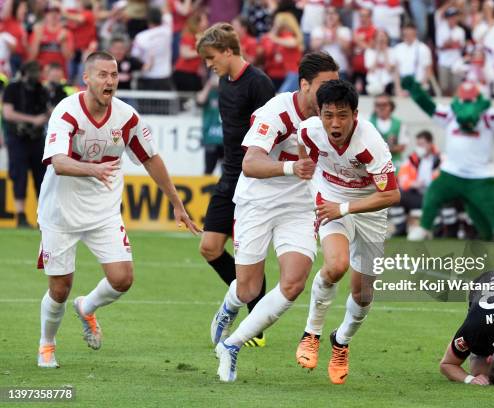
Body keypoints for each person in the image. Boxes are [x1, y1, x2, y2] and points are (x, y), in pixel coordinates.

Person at [36, 51, 200, 368]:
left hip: (103, 212)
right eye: (102, 75)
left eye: (114, 75)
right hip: (60, 211)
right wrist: (92, 170)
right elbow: (58, 162)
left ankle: (87, 307)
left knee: (122, 279)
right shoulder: (67, 112)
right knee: (60, 288)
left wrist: (177, 204)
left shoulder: (127, 117)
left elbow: (151, 158)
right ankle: (47, 345)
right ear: (86, 78)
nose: (110, 81)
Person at [211, 52, 339, 382]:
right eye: (326, 85)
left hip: (298, 207)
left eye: (336, 84)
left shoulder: (333, 115)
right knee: (248, 289)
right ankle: (228, 308)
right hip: (257, 202)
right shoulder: (277, 111)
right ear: (305, 85)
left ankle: (232, 345)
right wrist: (290, 167)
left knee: (294, 282)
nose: (332, 91)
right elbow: (250, 163)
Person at [295, 80, 400, 384]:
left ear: (355, 114)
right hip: (331, 200)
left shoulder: (370, 144)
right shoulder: (311, 129)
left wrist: (343, 209)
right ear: (320, 113)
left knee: (363, 293)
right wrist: (316, 184)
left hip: (369, 208)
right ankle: (311, 333)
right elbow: (305, 146)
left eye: (342, 115)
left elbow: (391, 195)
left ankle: (340, 341)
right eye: (329, 115)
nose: (335, 123)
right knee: (336, 265)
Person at [196, 23, 276, 347]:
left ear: (229, 51)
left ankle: (257, 322)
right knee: (209, 247)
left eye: (211, 57)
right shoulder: (223, 83)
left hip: (253, 180)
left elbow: (273, 133)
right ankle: (251, 299)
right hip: (228, 177)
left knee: (251, 256)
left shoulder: (259, 84)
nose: (208, 64)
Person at [401, 77, 494, 242]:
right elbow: (429, 107)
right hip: (452, 173)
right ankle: (424, 227)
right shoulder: (450, 114)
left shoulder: (488, 118)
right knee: (433, 195)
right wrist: (415, 91)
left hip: (480, 176)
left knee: (492, 207)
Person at [1, 61, 49, 228]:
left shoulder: (41, 89)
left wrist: (46, 116)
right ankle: (20, 215)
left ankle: (42, 216)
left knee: (42, 178)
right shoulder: (12, 89)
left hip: (37, 138)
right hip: (17, 138)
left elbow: (47, 110)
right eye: (32, 72)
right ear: (23, 73)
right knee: (19, 176)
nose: (35, 76)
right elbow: (8, 114)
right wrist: (33, 120)